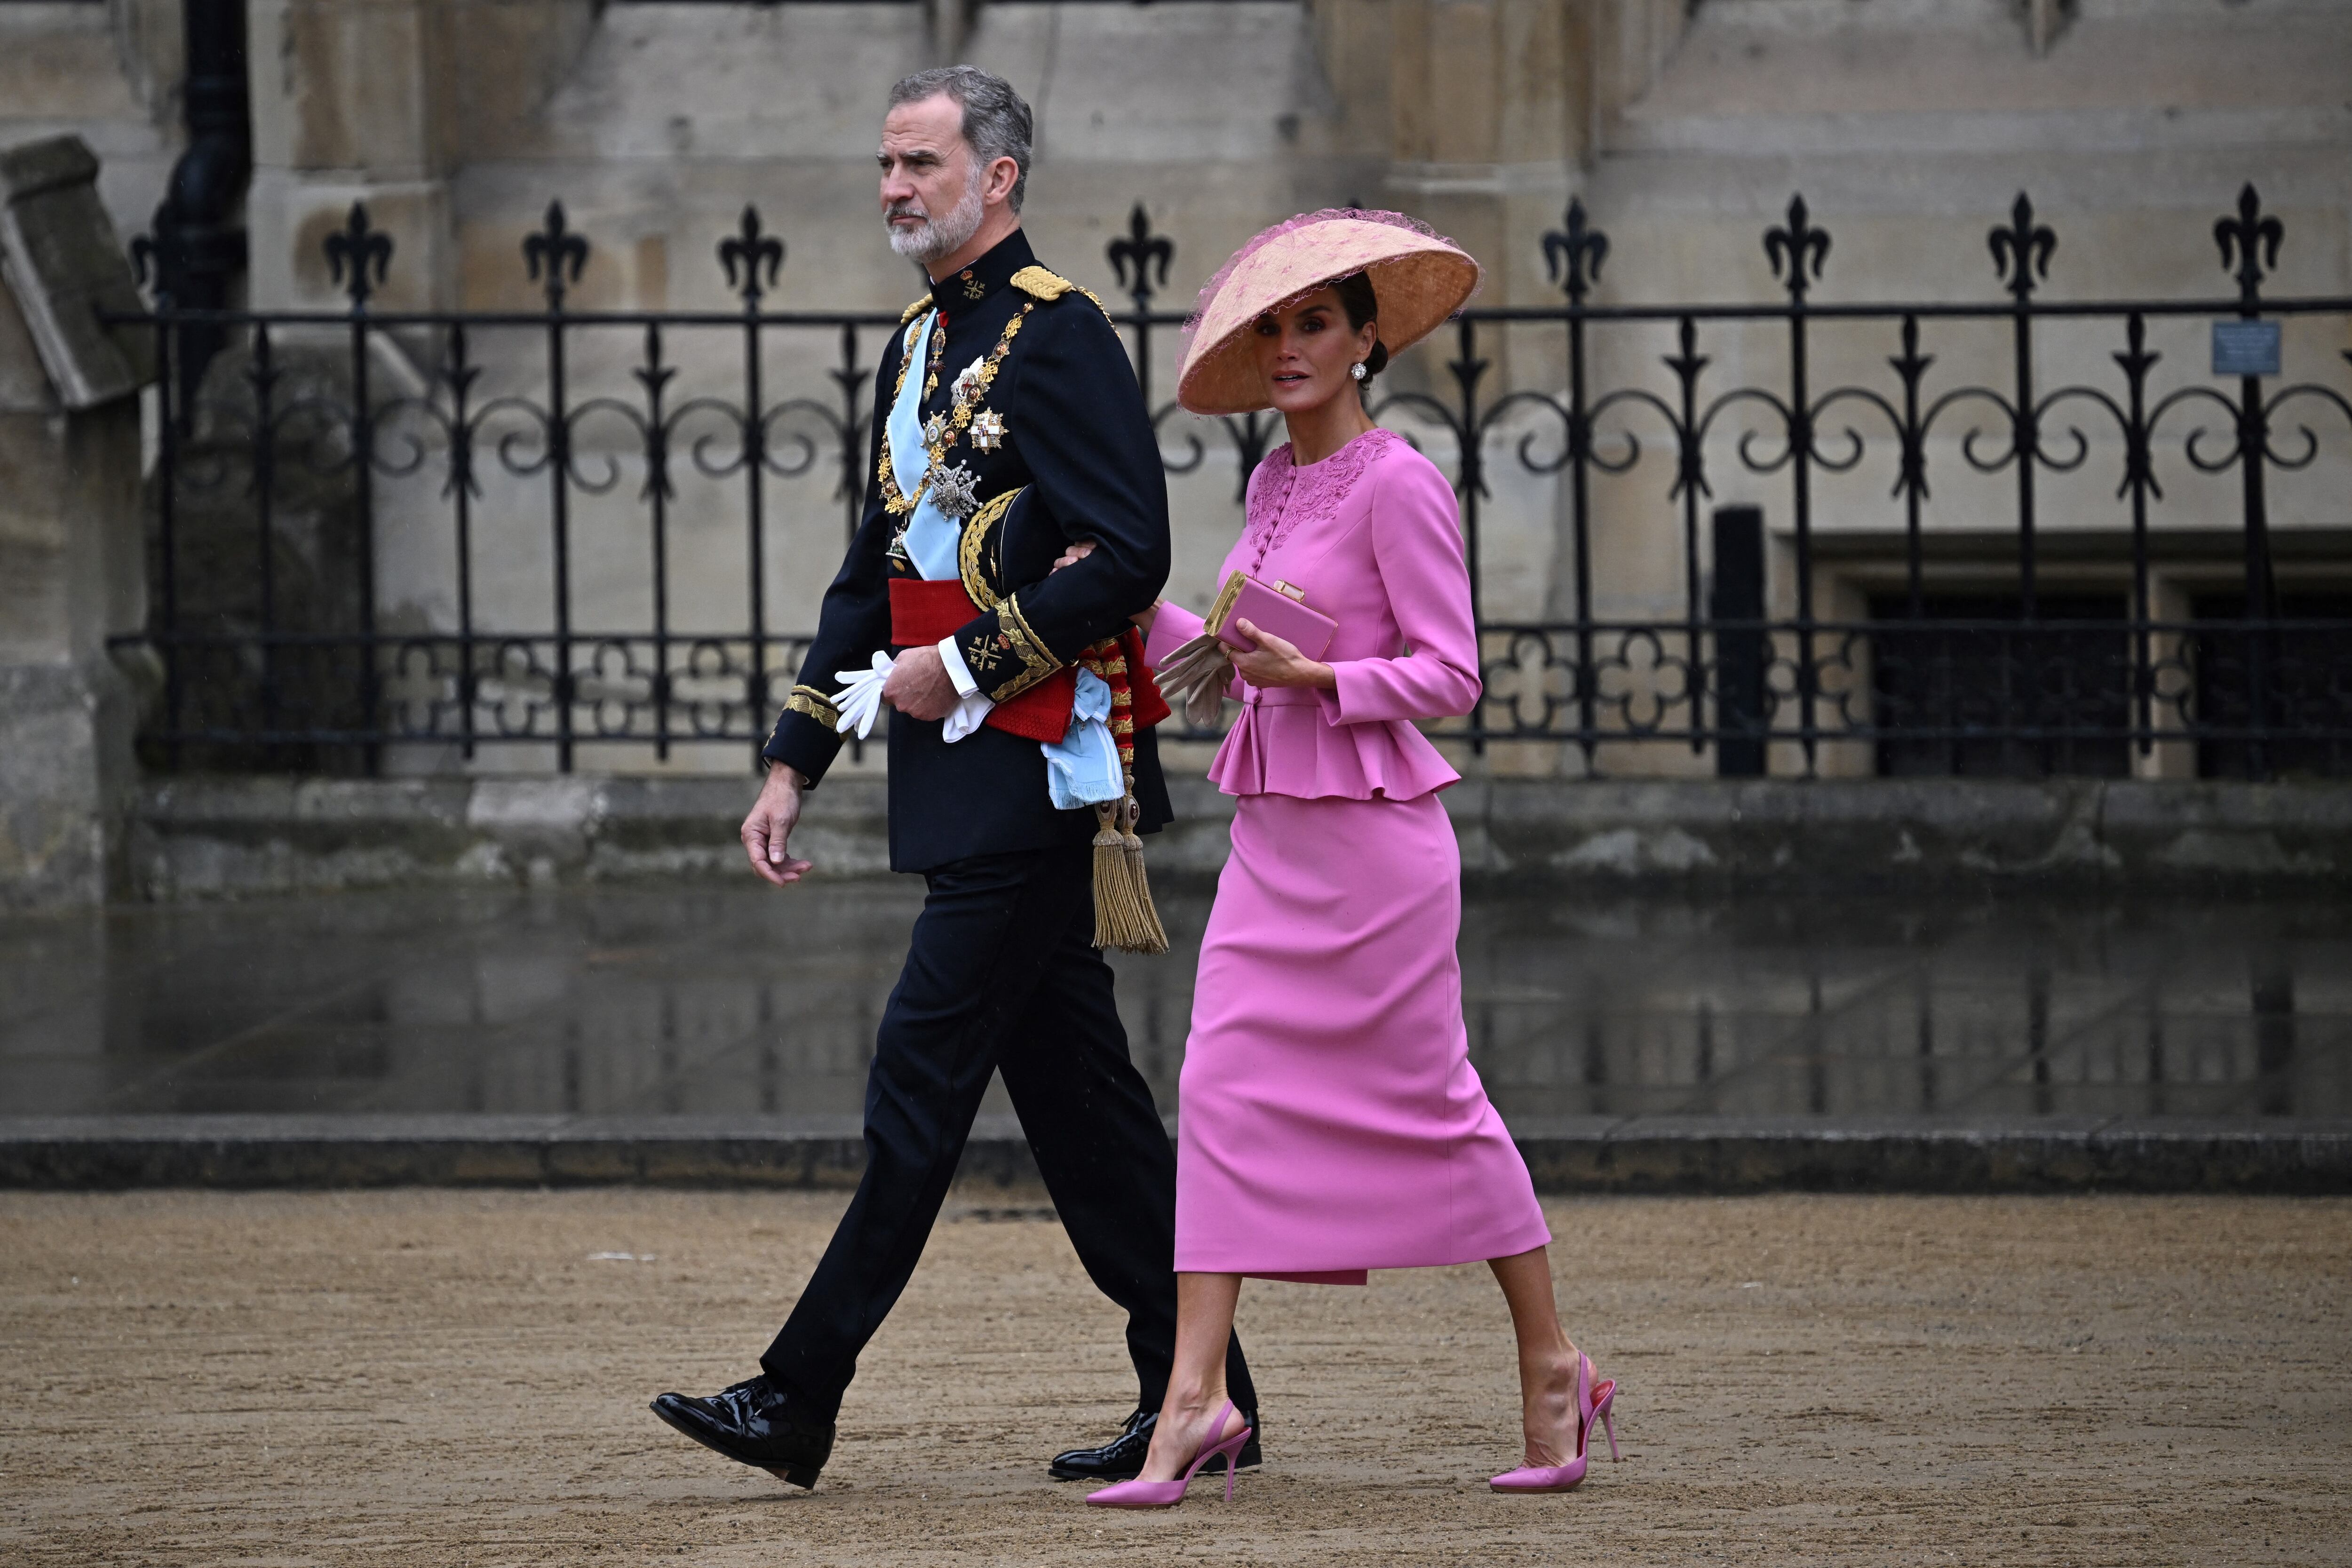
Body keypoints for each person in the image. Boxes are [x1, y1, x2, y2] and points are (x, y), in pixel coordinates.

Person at [648, 65, 1260, 1491]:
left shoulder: (1062, 337)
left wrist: (974, 665)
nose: (893, 189)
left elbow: (1131, 553)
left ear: (1001, 177)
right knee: (1090, 1121)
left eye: (919, 163)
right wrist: (794, 757)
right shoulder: (916, 346)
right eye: (884, 165)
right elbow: (871, 577)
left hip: (1040, 772)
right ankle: (1207, 1397)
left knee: (916, 1086)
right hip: (957, 769)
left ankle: (798, 1394)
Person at [1065, 210, 1617, 1508]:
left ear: (1369, 339)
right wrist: (1132, 599)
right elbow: (1229, 664)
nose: (1292, 345)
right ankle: (1196, 1401)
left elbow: (1453, 673)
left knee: (1434, 1104)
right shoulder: (1269, 484)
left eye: (1317, 322)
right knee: (1219, 1089)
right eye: (1274, 327)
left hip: (1378, 854)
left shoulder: (1400, 479)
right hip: (1274, 847)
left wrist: (1322, 674)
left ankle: (1553, 1363)